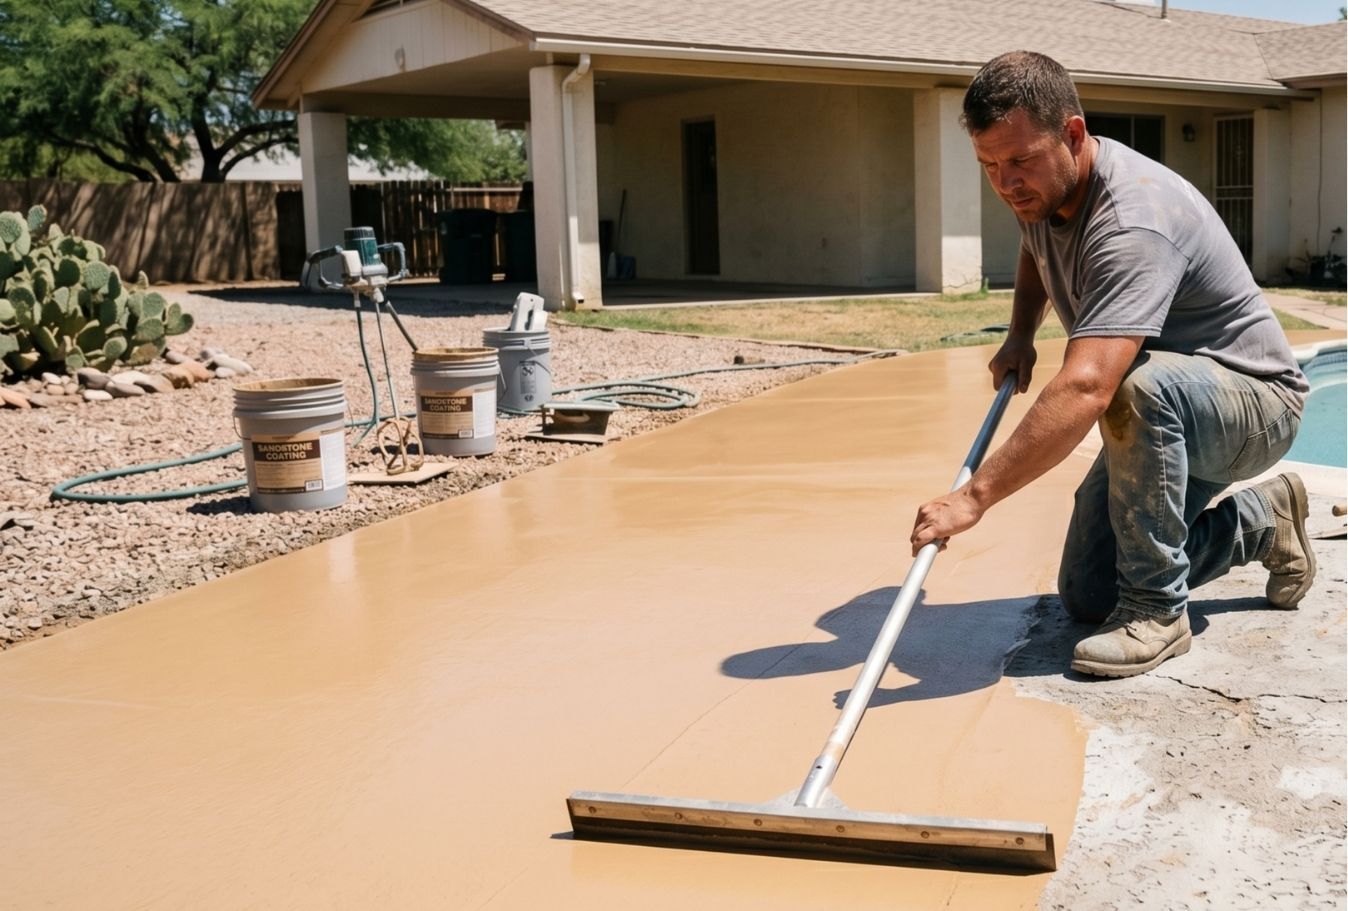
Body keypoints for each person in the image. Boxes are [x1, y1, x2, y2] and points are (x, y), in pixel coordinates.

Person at [909, 51, 1315, 679]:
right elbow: (1033, 243)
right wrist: (1020, 333)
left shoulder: (1133, 221)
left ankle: (1158, 611)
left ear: (1072, 134)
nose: (1006, 182)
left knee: (1131, 387)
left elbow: (1088, 386)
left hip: (1253, 405)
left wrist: (974, 497)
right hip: (1172, 408)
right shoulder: (1048, 190)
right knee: (1089, 594)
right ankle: (1263, 521)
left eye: (1019, 160)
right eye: (989, 165)